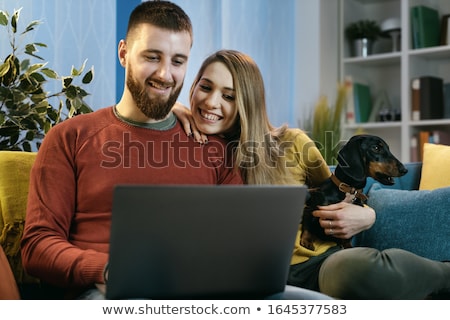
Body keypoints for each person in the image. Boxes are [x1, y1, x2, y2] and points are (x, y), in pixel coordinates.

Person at [20, 1, 329, 300]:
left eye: (177, 61)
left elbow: (237, 241)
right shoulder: (70, 137)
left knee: (322, 306)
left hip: (205, 292)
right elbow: (37, 246)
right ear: (124, 53)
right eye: (152, 57)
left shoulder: (216, 150)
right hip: (108, 291)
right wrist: (107, 270)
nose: (165, 74)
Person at [174, 49, 450, 299]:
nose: (210, 102)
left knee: (362, 272)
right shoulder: (181, 143)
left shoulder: (292, 142)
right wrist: (171, 110)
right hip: (242, 274)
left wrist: (368, 214)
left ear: (248, 102)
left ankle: (444, 274)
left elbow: (339, 189)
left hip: (315, 264)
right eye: (205, 87)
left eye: (229, 96)